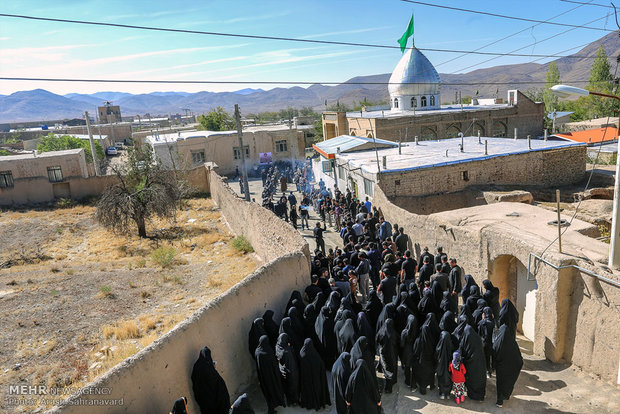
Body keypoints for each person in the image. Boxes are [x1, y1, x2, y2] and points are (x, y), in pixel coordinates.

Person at [493, 319, 523, 407]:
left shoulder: (498, 342)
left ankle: (500, 401)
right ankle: (506, 395)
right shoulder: (513, 343)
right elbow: (519, 359)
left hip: (502, 368)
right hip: (513, 367)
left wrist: (494, 365)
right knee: (508, 383)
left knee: (501, 383)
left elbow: (495, 354)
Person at [191, 346, 231, 414]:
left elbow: (194, 379)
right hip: (216, 404)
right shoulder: (209, 370)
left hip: (205, 403)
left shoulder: (197, 367)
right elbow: (219, 386)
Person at [255, 335, 286, 414]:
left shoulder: (257, 351)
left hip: (263, 376)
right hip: (271, 376)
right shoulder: (268, 352)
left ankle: (271, 409)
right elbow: (274, 366)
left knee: (268, 393)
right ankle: (272, 409)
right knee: (273, 391)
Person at [298, 338, 331, 411]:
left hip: (306, 378)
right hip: (315, 378)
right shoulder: (314, 354)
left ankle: (309, 403)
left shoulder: (302, 352)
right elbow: (321, 365)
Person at [459, 325, 487, 401]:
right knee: (479, 379)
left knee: (471, 379)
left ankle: (473, 395)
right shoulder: (477, 338)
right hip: (480, 363)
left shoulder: (466, 339)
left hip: (471, 364)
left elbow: (462, 350)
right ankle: (480, 396)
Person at [275, 333, 300, 406]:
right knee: (293, 386)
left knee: (286, 386)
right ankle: (294, 400)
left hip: (282, 370)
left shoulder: (277, 346)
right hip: (290, 372)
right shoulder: (287, 351)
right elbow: (292, 364)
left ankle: (289, 401)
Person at [376, 318, 399, 393]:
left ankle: (388, 387)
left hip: (384, 354)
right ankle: (392, 382)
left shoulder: (381, 332)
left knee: (386, 369)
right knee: (392, 368)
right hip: (393, 354)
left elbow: (377, 339)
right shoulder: (393, 333)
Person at [436, 330, 455, 400]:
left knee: (441, 380)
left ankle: (442, 393)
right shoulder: (451, 346)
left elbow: (436, 356)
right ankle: (448, 393)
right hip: (449, 367)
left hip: (441, 367)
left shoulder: (439, 347)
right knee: (449, 380)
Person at [478, 307, 495, 378]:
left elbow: (479, 334)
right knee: (489, 357)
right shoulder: (494, 322)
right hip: (492, 343)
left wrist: (482, 319)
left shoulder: (482, 323)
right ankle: (490, 370)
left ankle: (484, 370)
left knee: (484, 357)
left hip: (484, 343)